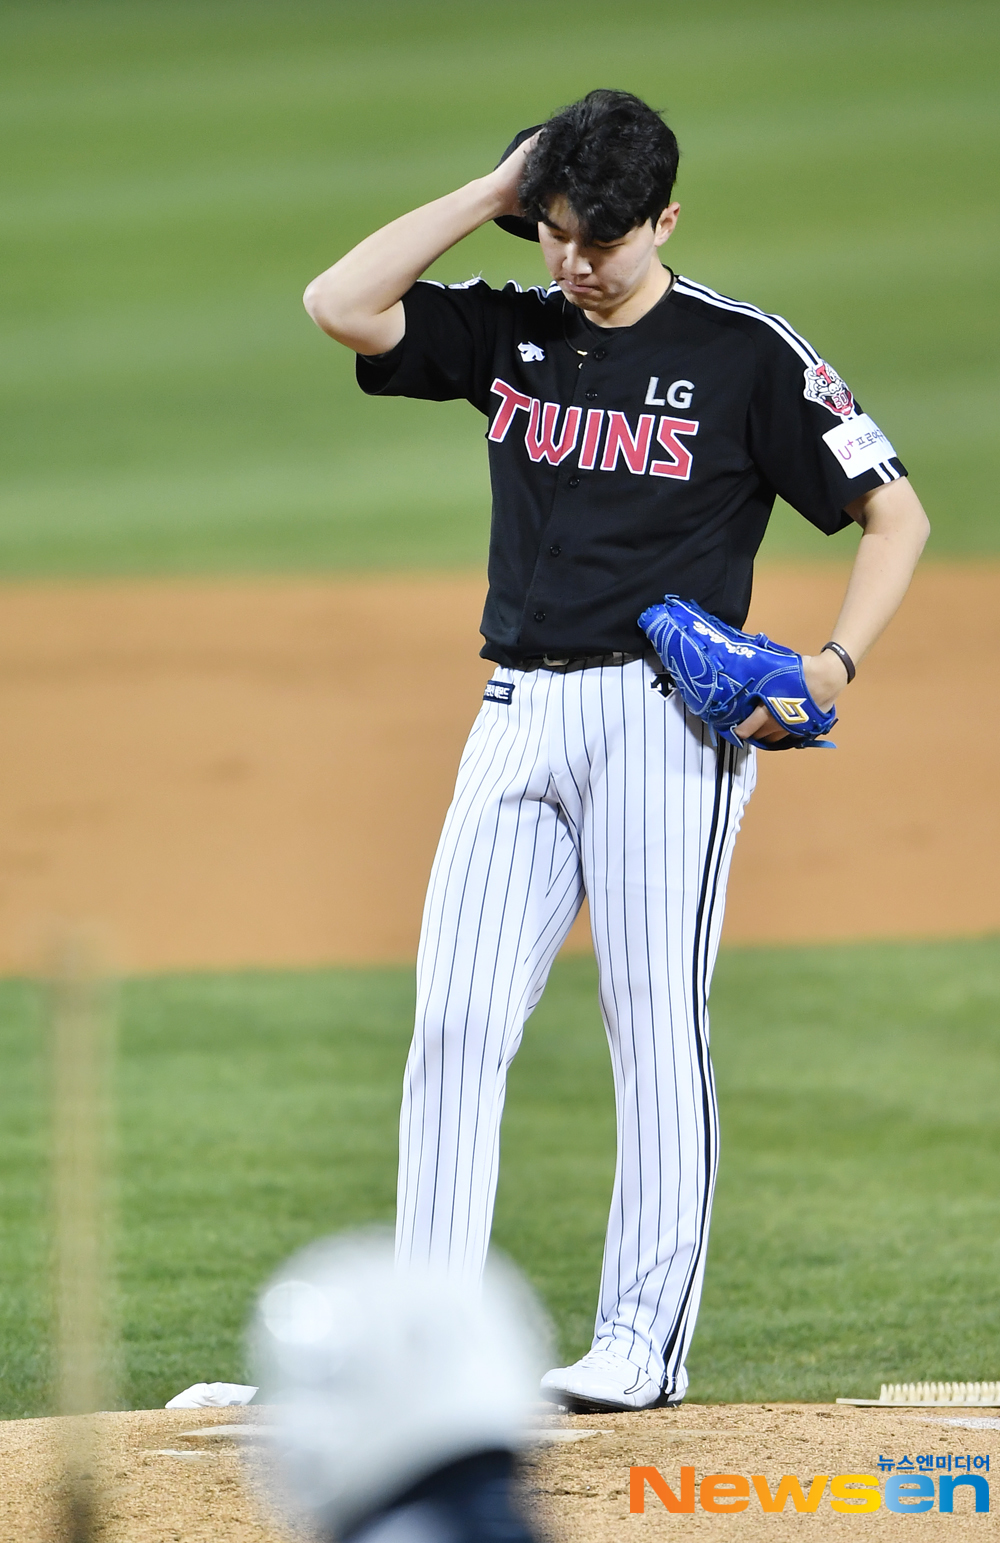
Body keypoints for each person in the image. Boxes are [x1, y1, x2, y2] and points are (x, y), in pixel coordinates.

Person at [303, 89, 929, 1412]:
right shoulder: (511, 326)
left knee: (652, 1029)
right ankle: (427, 1350)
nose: (578, 266)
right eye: (559, 235)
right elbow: (340, 303)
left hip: (665, 729)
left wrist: (834, 663)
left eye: (605, 241)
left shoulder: (747, 354)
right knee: (456, 1022)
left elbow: (895, 516)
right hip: (515, 715)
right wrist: (494, 190)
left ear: (667, 220)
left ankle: (640, 1344)